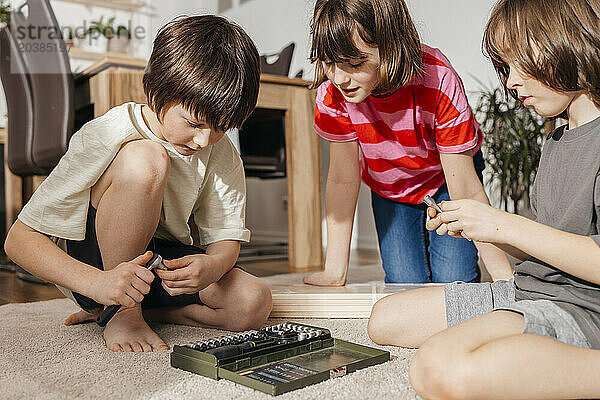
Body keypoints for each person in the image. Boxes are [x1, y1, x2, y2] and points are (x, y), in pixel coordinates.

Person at [368, 0, 600, 398]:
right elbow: (552, 249)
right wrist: (477, 225)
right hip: (533, 289)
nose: (509, 82)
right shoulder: (558, 138)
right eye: (504, 68)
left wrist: (502, 223)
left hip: (583, 306)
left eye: (518, 63)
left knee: (440, 369)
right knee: (384, 319)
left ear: (564, 42)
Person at [4, 15, 272, 353]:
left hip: (160, 268)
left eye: (221, 127)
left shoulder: (220, 151)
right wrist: (99, 285)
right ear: (156, 92)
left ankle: (143, 311)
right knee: (147, 159)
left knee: (254, 302)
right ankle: (120, 312)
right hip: (99, 268)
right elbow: (18, 241)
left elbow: (225, 239)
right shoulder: (108, 133)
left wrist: (212, 266)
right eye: (193, 122)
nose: (205, 139)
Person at [303, 0, 512, 286]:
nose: (339, 78)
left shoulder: (438, 79)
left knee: (453, 282)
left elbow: (466, 190)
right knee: (404, 284)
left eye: (354, 63)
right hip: (391, 185)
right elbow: (342, 180)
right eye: (328, 62)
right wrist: (334, 272)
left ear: (391, 46)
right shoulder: (332, 95)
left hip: (447, 181)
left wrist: (503, 278)